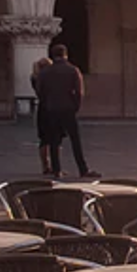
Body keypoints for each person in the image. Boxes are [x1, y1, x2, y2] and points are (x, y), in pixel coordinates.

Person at [34, 44, 95, 177]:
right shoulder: (73, 70)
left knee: (54, 140)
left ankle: (56, 170)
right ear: (65, 54)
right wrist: (75, 106)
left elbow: (40, 90)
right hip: (68, 108)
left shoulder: (45, 72)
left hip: (51, 109)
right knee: (75, 140)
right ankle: (82, 169)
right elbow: (79, 92)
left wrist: (47, 102)